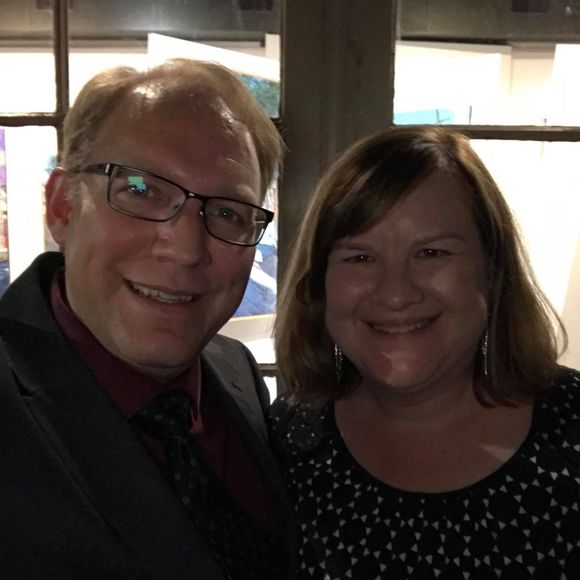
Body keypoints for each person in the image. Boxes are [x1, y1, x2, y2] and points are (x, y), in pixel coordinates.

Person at [0, 58, 296, 579]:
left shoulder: (235, 371)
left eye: (228, 212)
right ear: (63, 206)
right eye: (140, 189)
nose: (186, 249)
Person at [270, 126, 580, 579]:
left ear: (492, 270)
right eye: (360, 257)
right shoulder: (284, 441)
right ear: (319, 284)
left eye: (431, 252)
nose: (396, 294)